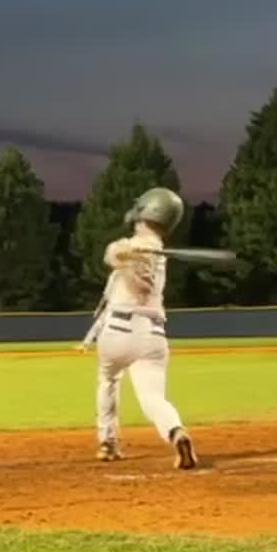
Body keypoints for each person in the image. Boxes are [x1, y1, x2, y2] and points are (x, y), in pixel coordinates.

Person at [89, 187, 199, 470]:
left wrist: (122, 253)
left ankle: (108, 442)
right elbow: (115, 255)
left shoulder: (138, 246)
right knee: (153, 397)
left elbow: (112, 258)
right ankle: (176, 431)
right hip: (152, 335)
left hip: (117, 331)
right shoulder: (153, 250)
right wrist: (124, 252)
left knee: (108, 379)